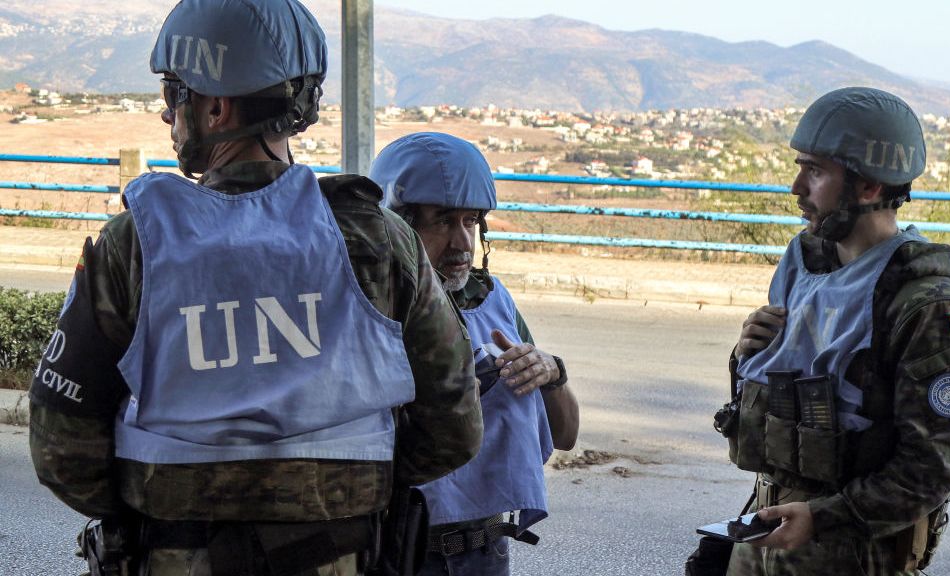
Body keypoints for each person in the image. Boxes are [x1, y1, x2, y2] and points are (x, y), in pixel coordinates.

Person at [28, 2, 483, 575]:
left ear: (215, 107)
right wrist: (343, 493)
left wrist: (158, 515)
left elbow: (61, 448)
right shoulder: (381, 241)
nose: (169, 116)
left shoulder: (136, 242)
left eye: (174, 94)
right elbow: (454, 426)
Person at [721, 87, 950, 575]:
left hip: (849, 549)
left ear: (868, 188)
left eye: (817, 171)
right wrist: (747, 356)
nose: (796, 187)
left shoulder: (925, 304)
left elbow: (932, 469)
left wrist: (824, 518)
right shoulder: (806, 263)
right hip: (766, 524)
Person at [369, 132, 580, 576]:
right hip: (399, 550)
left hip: (486, 551)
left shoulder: (491, 301)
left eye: (471, 220)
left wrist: (552, 372)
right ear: (397, 224)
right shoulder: (372, 308)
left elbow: (565, 435)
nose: (462, 242)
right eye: (443, 221)